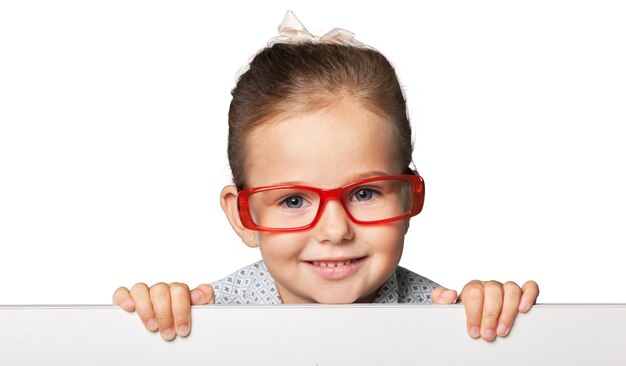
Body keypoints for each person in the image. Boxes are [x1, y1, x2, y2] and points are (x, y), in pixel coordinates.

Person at [113, 10, 539, 343]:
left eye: (366, 192)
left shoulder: (446, 317)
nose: (335, 230)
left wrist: (497, 321)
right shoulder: (204, 318)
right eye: (294, 201)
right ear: (242, 216)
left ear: (408, 200)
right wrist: (152, 321)